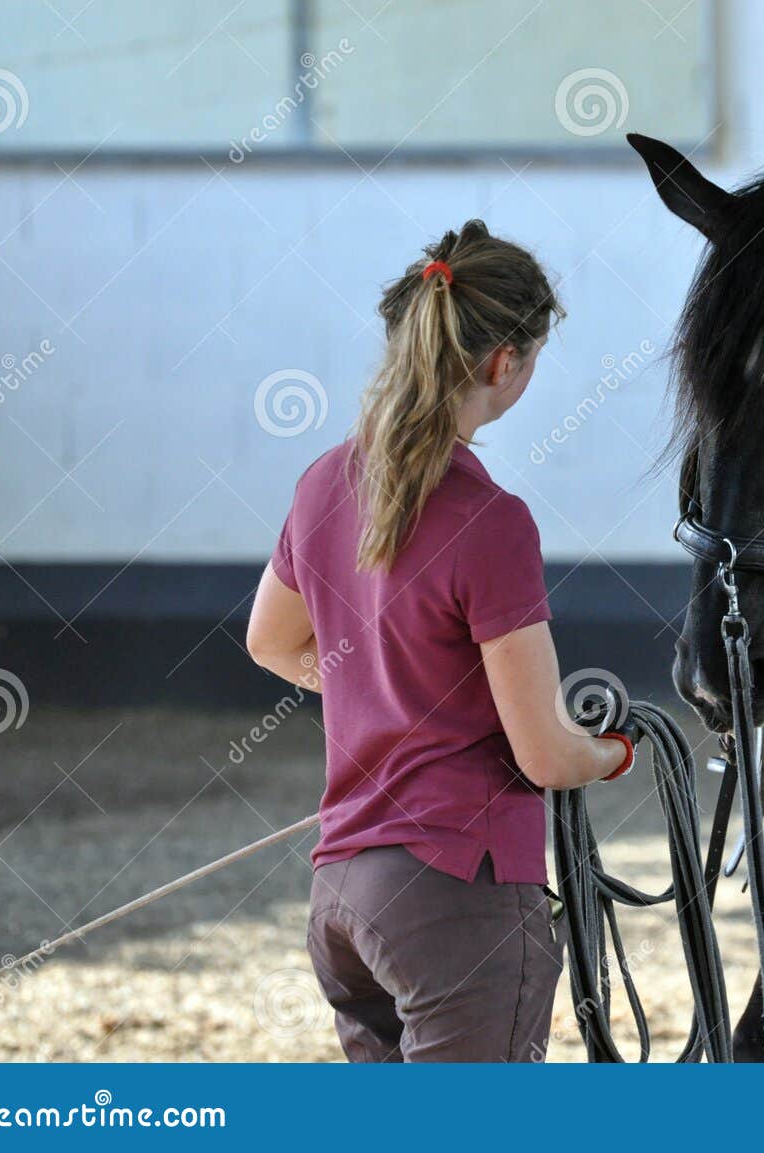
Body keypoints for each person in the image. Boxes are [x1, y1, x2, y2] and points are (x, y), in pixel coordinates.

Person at [245, 220, 633, 1062]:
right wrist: (622, 751)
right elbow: (545, 757)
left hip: (342, 893)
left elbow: (271, 644)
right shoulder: (493, 522)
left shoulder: (322, 483)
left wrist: (389, 691)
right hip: (456, 897)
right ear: (506, 364)